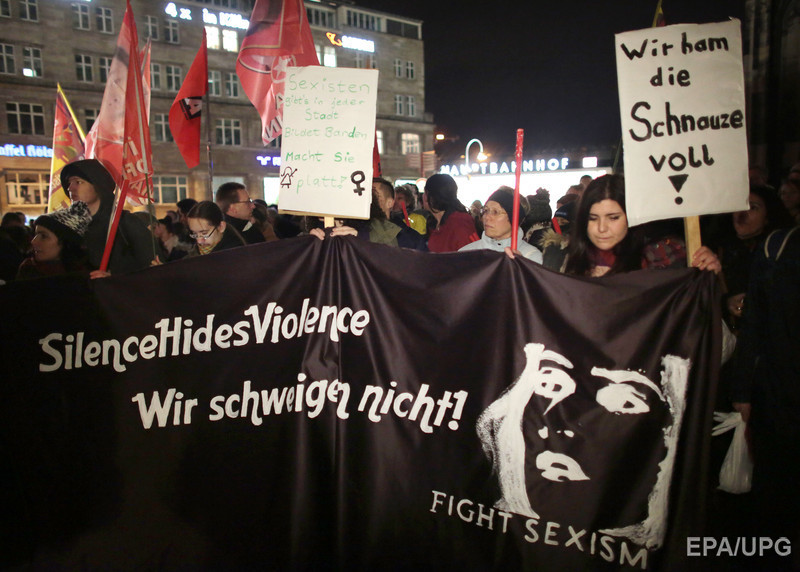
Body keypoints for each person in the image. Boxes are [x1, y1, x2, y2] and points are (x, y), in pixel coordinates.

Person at [532, 174, 720, 276]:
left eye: (613, 218)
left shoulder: (663, 257)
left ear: (630, 217)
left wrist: (707, 276)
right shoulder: (561, 259)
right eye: (593, 218)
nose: (602, 228)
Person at [61, 159, 154, 275]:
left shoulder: (125, 223)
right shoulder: (70, 228)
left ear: (98, 185)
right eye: (69, 183)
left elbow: (154, 270)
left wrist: (113, 278)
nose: (70, 188)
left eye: (78, 182)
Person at [310, 178, 428, 251]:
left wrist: (362, 242)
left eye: (374, 195)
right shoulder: (348, 228)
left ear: (390, 203)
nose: (369, 199)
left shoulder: (408, 237)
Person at [460, 187, 542, 262]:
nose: (486, 217)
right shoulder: (465, 254)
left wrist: (520, 268)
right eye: (485, 210)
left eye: (495, 212)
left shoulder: (531, 257)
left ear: (513, 219)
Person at [16, 201, 91, 280]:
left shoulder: (86, 274)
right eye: (35, 234)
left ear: (65, 242)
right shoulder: (28, 269)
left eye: (44, 236)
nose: (33, 241)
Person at [423, 174, 478, 252]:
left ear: (429, 196)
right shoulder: (434, 223)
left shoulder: (460, 222)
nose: (422, 196)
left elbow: (472, 254)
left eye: (424, 192)